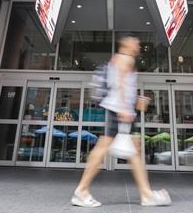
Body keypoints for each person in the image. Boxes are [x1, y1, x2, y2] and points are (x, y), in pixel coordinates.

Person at [71, 36, 171, 208]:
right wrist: (124, 107)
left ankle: (146, 194)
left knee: (134, 152)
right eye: (135, 42)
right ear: (126, 45)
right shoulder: (125, 59)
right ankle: (81, 191)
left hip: (121, 110)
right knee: (103, 148)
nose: (138, 45)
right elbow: (120, 82)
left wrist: (135, 101)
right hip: (120, 111)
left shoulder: (120, 59)